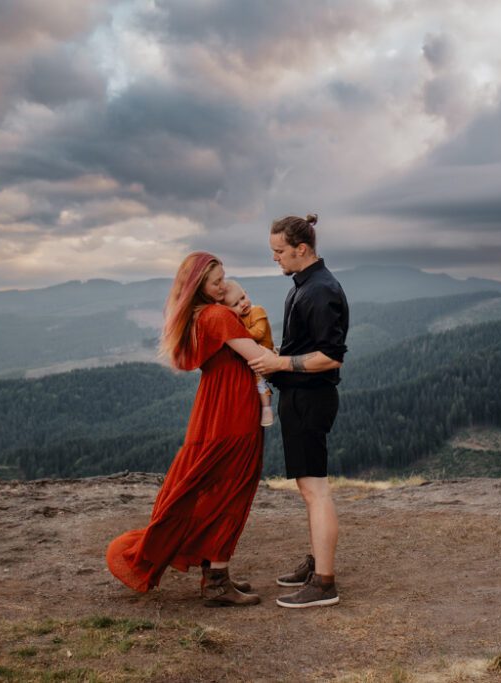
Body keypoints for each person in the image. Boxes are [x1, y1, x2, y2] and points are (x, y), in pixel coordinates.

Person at [106, 252, 276, 607]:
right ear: (199, 287)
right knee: (232, 489)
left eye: (223, 278)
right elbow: (258, 356)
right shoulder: (217, 315)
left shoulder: (202, 315)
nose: (223, 285)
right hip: (233, 411)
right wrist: (303, 363)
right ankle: (215, 580)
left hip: (216, 409)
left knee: (216, 487)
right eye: (216, 282)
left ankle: (216, 573)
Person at [249, 213, 349, 609]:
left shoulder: (321, 290)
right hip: (299, 398)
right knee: (309, 490)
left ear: (301, 249)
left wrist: (280, 365)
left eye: (279, 251)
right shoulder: (303, 285)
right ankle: (316, 563)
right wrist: (277, 358)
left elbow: (331, 357)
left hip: (311, 400)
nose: (275, 258)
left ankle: (325, 583)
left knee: (316, 491)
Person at [222, 279, 275, 427]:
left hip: (265, 353)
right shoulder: (237, 319)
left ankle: (266, 407)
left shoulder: (257, 310)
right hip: (250, 357)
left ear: (246, 292)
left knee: (259, 378)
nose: (243, 304)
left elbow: (259, 333)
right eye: (235, 304)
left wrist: (237, 333)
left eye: (243, 298)